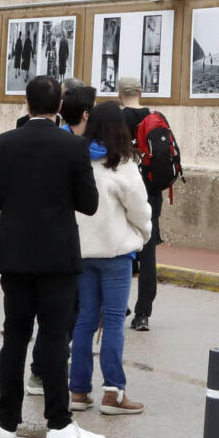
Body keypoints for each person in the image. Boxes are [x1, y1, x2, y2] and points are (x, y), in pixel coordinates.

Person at [0, 73, 106, 438]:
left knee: (14, 336)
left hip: (15, 253)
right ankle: (59, 422)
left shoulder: (1, 145)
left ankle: (6, 419)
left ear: (27, 105)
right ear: (60, 107)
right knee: (53, 338)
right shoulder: (73, 148)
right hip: (57, 255)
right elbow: (89, 203)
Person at [69, 101, 152, 416]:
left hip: (83, 251)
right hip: (116, 252)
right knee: (115, 321)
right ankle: (114, 392)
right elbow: (141, 211)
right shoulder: (123, 165)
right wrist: (143, 236)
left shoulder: (79, 159)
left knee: (85, 320)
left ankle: (78, 391)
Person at [114, 79, 179, 331]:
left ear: (120, 95)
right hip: (150, 192)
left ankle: (119, 305)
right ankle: (143, 314)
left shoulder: (117, 120)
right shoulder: (156, 117)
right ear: (141, 93)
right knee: (148, 252)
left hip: (121, 192)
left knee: (119, 250)